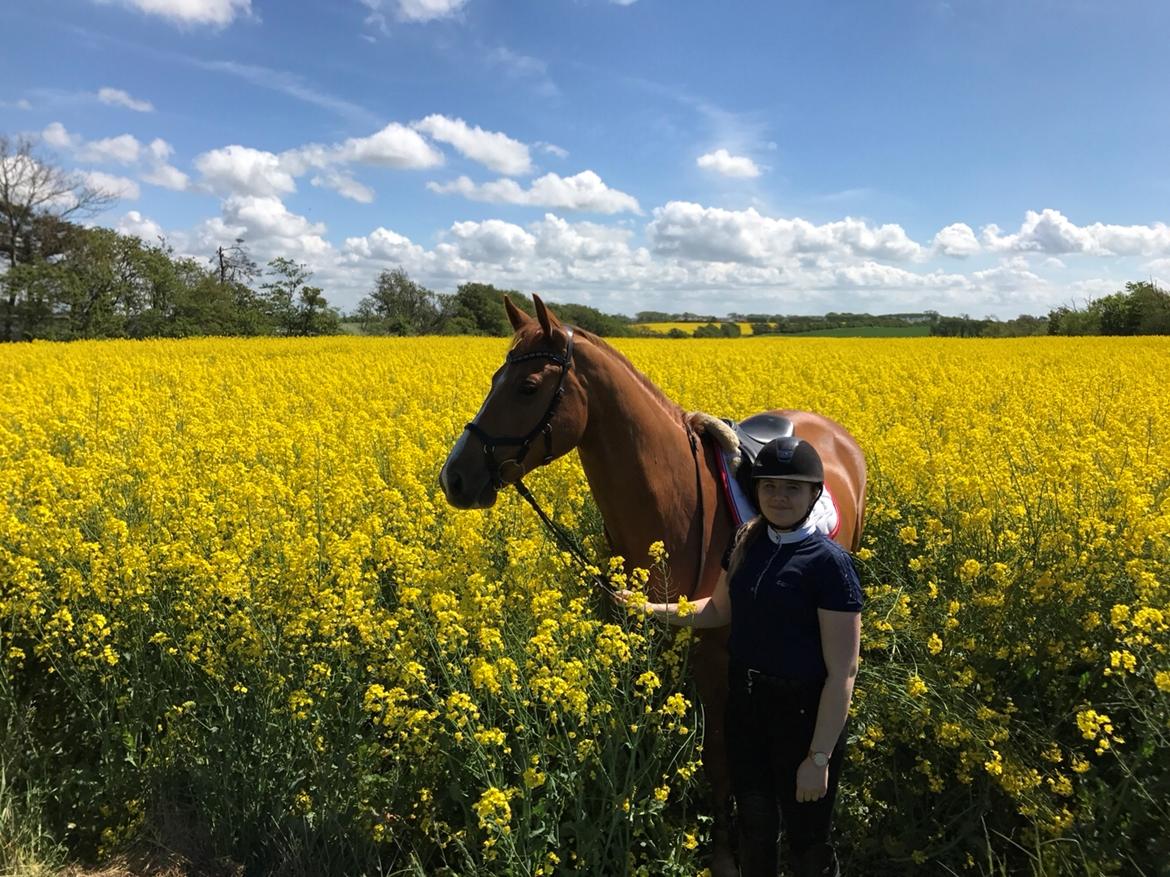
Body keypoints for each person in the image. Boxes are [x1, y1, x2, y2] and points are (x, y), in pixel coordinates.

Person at [617, 436, 862, 877]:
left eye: (792, 488)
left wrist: (819, 757)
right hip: (747, 709)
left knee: (809, 843)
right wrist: (647, 608)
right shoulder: (747, 541)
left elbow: (843, 672)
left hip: (804, 717)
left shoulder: (829, 564)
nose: (779, 497)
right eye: (769, 486)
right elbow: (717, 609)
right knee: (755, 830)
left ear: (813, 495)